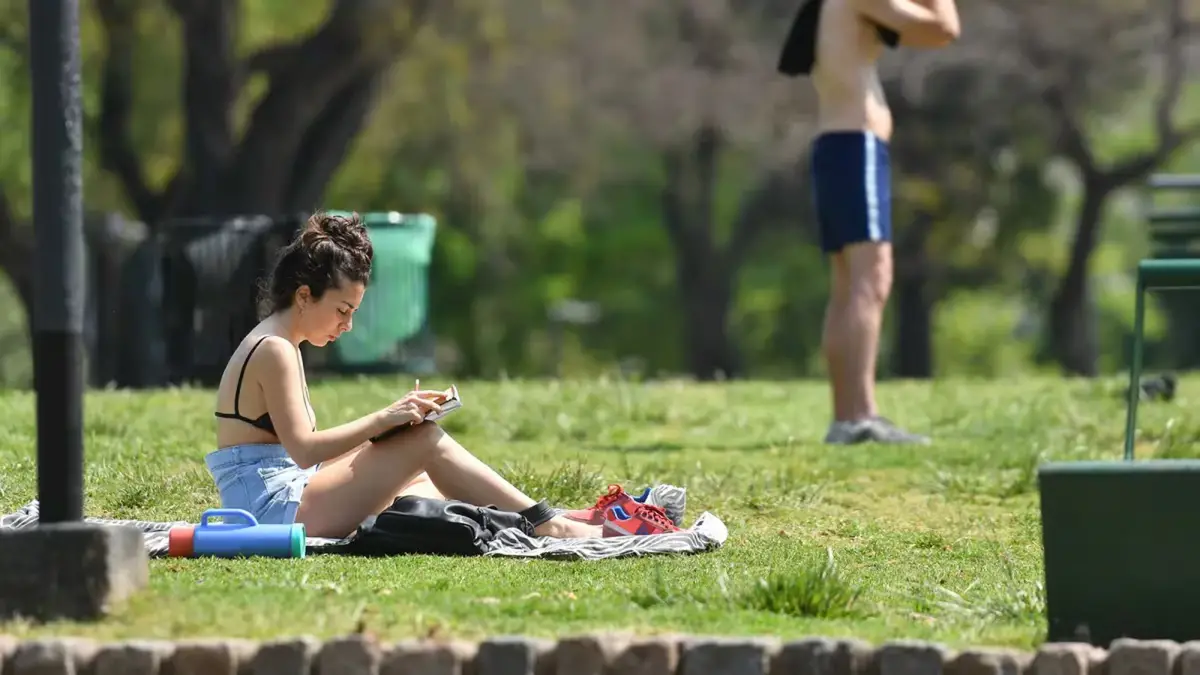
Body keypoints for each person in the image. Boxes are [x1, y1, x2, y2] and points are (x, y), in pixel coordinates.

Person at [207, 212, 680, 539]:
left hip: (285, 497)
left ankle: (578, 518)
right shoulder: (274, 349)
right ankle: (553, 525)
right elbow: (304, 449)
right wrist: (384, 420)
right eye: (343, 310)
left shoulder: (278, 342)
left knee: (422, 481)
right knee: (425, 443)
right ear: (306, 295)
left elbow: (299, 454)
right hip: (272, 513)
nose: (347, 325)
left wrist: (391, 427)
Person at [778, 0, 960, 444]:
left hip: (842, 147)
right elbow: (943, 28)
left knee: (850, 285)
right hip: (853, 147)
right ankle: (859, 417)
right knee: (869, 279)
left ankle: (849, 419)